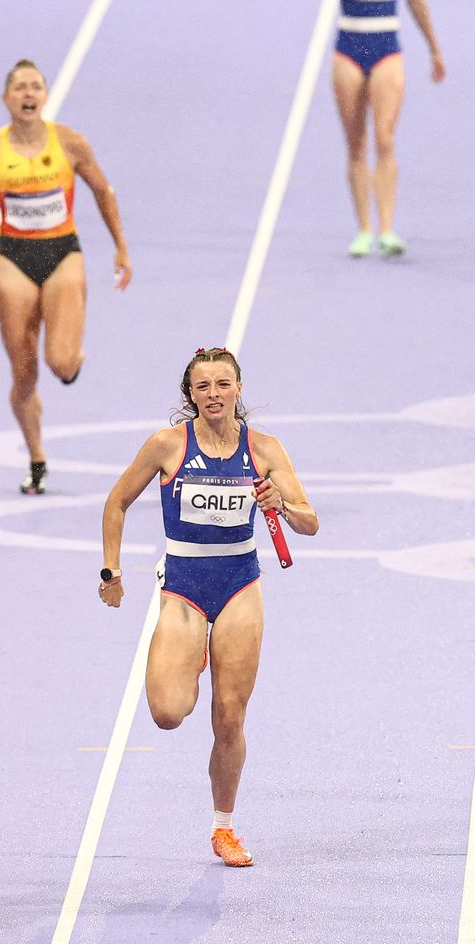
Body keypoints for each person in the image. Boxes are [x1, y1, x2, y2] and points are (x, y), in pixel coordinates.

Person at [98, 348, 318, 867]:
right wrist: (111, 571)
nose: (214, 394)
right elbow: (116, 502)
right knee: (168, 712)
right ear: (190, 395)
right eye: (203, 387)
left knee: (229, 716)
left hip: (240, 586)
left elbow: (310, 521)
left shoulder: (264, 449)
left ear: (238, 389)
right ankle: (194, 646)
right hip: (184, 586)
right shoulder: (167, 445)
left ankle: (224, 826)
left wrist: (280, 506)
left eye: (223, 384)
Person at [0, 59, 131, 495]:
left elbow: (102, 191)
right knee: (24, 375)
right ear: (6, 99)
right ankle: (36, 457)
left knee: (61, 362)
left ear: (45, 95)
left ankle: (72, 354)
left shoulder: (70, 143)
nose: (28, 93)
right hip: (14, 257)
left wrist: (121, 246)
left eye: (35, 86)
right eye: (20, 87)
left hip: (62, 252)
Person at [317, 0, 445, 259]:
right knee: (356, 141)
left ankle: (387, 228)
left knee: (385, 138)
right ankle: (363, 229)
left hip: (387, 49)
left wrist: (434, 47)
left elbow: (416, 0)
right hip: (349, 50)